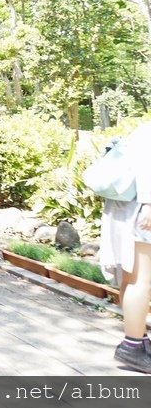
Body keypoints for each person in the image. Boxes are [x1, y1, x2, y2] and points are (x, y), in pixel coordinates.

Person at [98, 124, 151, 373]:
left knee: (132, 277)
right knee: (141, 280)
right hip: (142, 212)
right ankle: (132, 346)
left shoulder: (143, 130)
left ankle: (137, 339)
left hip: (130, 210)